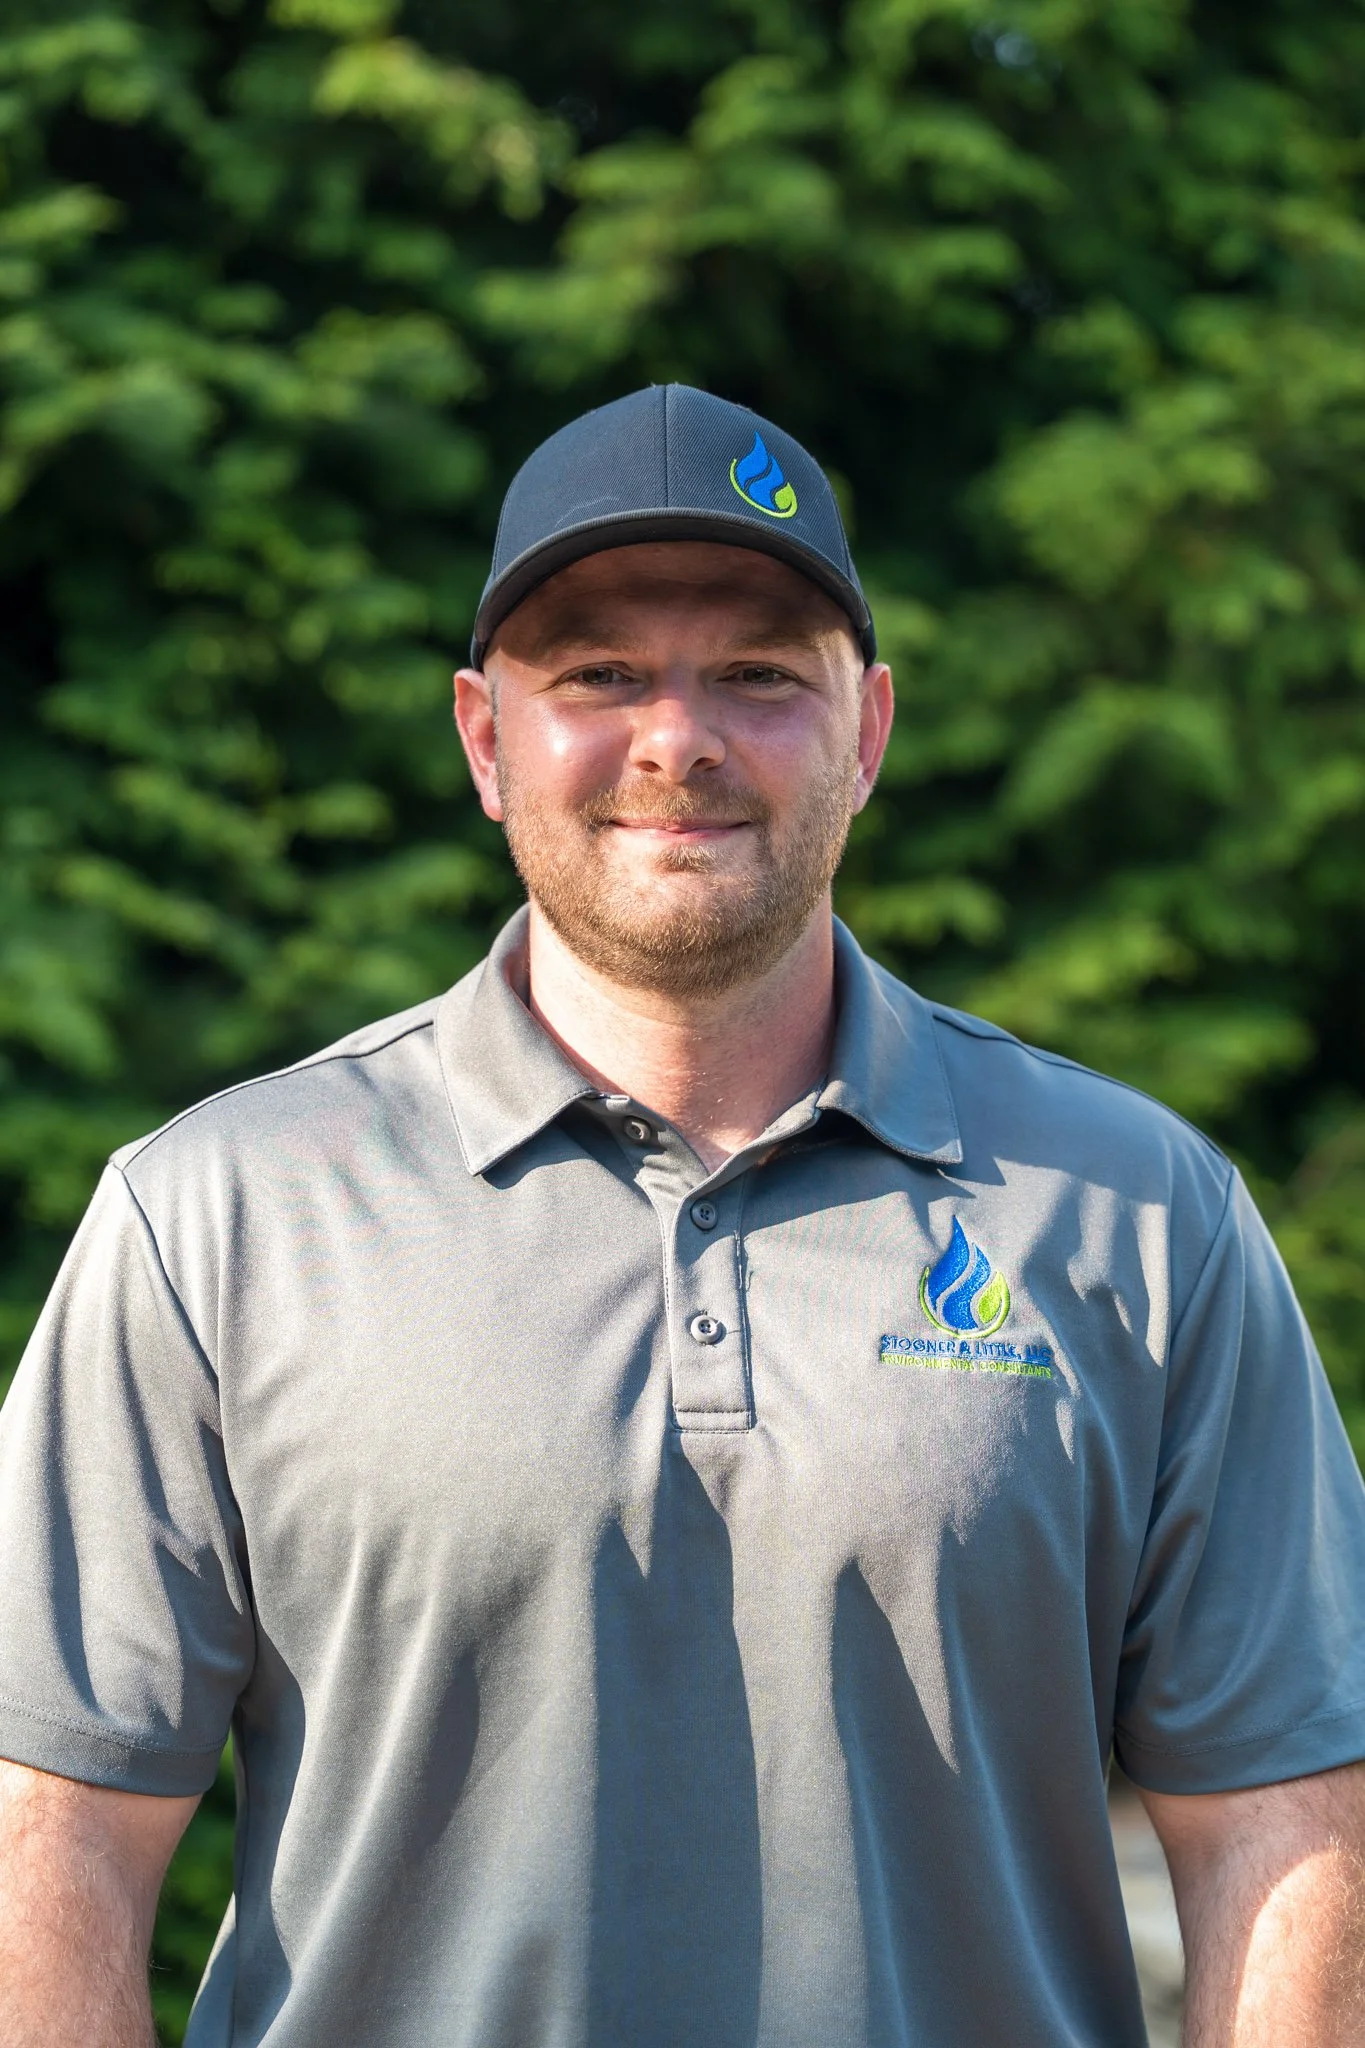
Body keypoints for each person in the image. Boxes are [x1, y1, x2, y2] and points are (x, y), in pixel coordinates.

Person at [1, 383, 1363, 2048]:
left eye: (759, 676)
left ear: (866, 734)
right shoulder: (215, 1222)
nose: (678, 739)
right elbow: (48, 1838)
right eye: (597, 676)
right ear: (485, 740)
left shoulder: (1142, 1220)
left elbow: (1292, 1828)